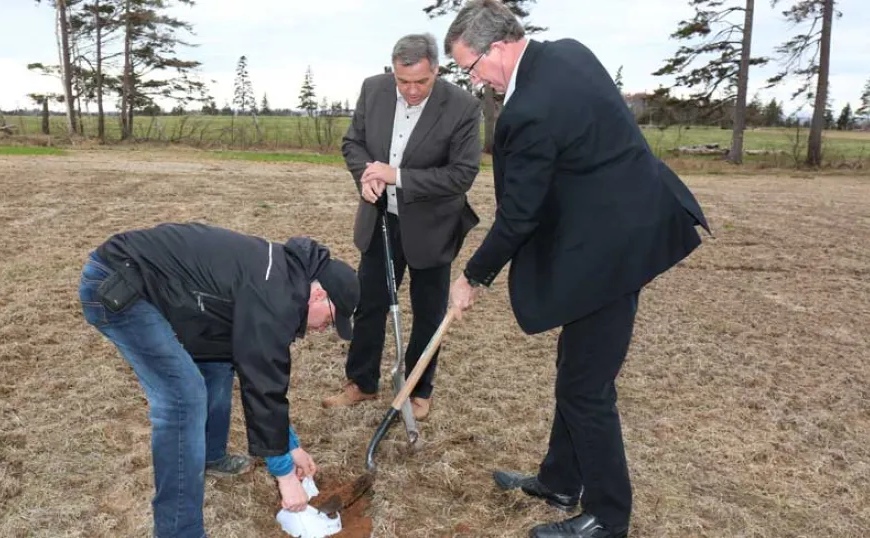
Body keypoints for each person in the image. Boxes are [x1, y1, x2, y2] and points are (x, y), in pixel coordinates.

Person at [442, 2, 711, 537]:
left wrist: (472, 276)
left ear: (496, 48)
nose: (473, 81)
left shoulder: (529, 110)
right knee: (576, 371)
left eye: (469, 67)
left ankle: (608, 518)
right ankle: (561, 480)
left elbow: (520, 215)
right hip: (620, 228)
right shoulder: (567, 53)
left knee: (587, 390)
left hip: (612, 252)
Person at [77, 222, 360, 538]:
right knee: (183, 398)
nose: (323, 330)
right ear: (319, 295)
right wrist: (285, 476)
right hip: (119, 285)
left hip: (168, 289)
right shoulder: (275, 296)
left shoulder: (283, 279)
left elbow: (258, 376)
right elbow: (263, 384)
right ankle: (178, 532)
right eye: (332, 320)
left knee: (217, 363)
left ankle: (211, 455)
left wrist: (290, 445)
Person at [321, 33, 482, 420]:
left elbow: (462, 174)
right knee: (370, 301)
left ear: (436, 70)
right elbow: (353, 144)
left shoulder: (461, 106)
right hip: (380, 218)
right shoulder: (373, 90)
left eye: (421, 82)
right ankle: (361, 382)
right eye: (403, 81)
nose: (411, 90)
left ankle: (418, 391)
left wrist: (398, 176)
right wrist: (367, 175)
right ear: (392, 71)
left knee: (428, 311)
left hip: (432, 225)